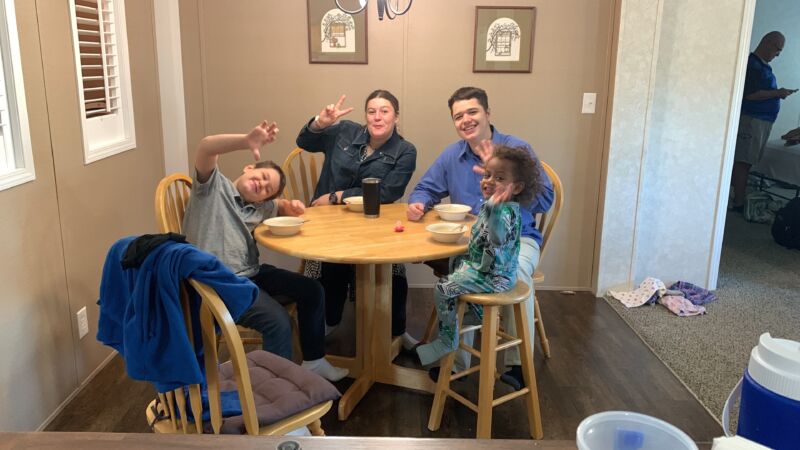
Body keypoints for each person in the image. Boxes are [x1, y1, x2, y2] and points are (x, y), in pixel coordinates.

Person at [407, 86, 554, 390]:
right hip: (471, 243)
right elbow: (424, 189)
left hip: (518, 239)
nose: (466, 120)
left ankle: (518, 364)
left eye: (472, 111)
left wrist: (508, 191)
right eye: (458, 116)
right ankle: (457, 362)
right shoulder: (452, 155)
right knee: (457, 278)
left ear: (488, 113)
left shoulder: (516, 150)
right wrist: (418, 204)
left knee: (515, 273)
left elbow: (545, 199)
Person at [182, 120, 348, 381]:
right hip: (215, 283)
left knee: (313, 290)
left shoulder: (259, 207)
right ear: (249, 167)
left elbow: (277, 205)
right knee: (278, 322)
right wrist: (245, 140)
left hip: (250, 273)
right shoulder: (213, 188)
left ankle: (314, 362)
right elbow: (206, 147)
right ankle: (274, 391)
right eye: (261, 176)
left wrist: (287, 205)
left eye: (267, 189)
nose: (261, 184)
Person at [296, 91, 419, 350]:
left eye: (384, 111)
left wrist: (337, 196)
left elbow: (388, 192)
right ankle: (328, 321)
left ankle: (396, 331)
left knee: (393, 269)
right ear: (366, 115)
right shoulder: (344, 132)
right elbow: (304, 141)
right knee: (330, 264)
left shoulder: (405, 151)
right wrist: (320, 123)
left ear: (396, 117)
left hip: (374, 224)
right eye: (372, 111)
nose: (377, 117)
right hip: (327, 223)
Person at [416, 145, 543, 366]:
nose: (489, 181)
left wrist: (493, 209)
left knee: (443, 288)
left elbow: (497, 237)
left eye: (499, 178)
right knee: (455, 264)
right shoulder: (493, 207)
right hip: (485, 268)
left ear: (517, 187)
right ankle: (476, 313)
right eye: (487, 175)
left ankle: (447, 340)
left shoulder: (504, 211)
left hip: (494, 277)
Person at [731, 31, 797, 212]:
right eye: (778, 49)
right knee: (743, 161)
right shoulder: (753, 65)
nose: (778, 54)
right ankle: (738, 202)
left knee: (747, 161)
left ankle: (737, 196)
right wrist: (778, 93)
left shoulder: (763, 66)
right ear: (767, 43)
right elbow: (750, 95)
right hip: (752, 121)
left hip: (760, 121)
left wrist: (778, 93)